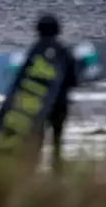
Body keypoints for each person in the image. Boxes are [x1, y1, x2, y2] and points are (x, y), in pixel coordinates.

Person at [29, 14, 79, 172]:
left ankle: (33, 168)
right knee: (57, 137)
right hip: (59, 102)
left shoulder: (34, 51)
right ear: (57, 30)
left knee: (37, 137)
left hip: (39, 103)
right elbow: (72, 78)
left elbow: (26, 78)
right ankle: (57, 168)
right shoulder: (63, 51)